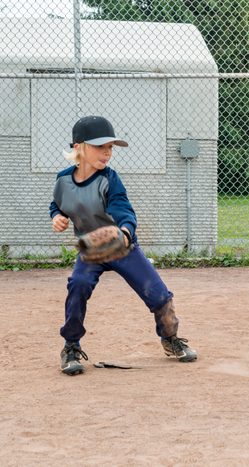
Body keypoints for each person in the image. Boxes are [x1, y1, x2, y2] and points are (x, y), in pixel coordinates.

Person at [50, 115, 198, 375]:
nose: (107, 152)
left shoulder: (110, 179)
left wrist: (125, 233)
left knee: (159, 295)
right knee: (78, 286)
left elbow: (123, 209)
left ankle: (170, 338)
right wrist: (57, 218)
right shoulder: (63, 180)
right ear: (78, 148)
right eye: (100, 146)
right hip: (92, 250)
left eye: (110, 147)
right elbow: (58, 205)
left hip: (123, 247)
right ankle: (71, 346)